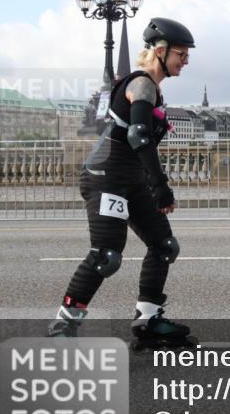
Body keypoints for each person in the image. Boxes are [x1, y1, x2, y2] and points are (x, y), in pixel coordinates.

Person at [48, 18, 196, 348]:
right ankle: (62, 330)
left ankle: (148, 320)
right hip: (105, 178)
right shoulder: (141, 84)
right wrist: (160, 186)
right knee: (107, 255)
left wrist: (149, 183)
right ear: (160, 51)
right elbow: (139, 136)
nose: (185, 61)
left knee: (164, 246)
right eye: (181, 54)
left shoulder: (155, 90)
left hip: (131, 179)